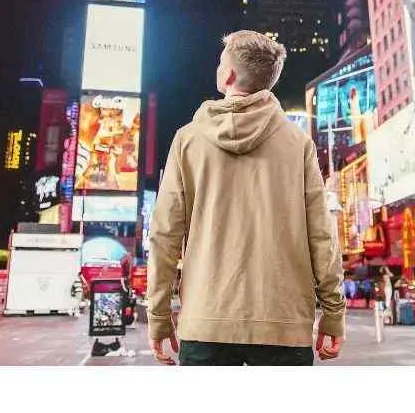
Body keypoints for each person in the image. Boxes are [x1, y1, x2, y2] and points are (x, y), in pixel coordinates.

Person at [146, 31, 346, 366]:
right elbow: (322, 236)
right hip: (284, 326)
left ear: (228, 75)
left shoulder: (188, 141)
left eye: (221, 61)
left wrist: (159, 315)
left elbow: (164, 235)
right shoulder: (298, 144)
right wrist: (333, 312)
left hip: (205, 323)